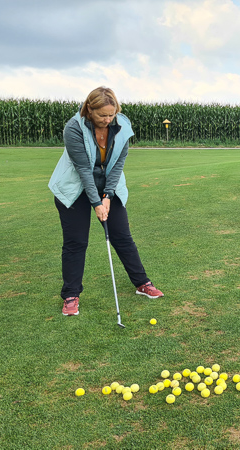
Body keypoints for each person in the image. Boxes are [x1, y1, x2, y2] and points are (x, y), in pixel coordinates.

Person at [49, 86, 163, 316]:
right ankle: (71, 295)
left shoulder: (122, 126)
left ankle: (142, 283)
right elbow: (83, 169)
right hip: (74, 189)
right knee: (76, 242)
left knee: (122, 237)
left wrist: (108, 196)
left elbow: (118, 165)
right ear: (89, 109)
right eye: (102, 115)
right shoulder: (74, 128)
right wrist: (96, 203)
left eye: (111, 114)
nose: (107, 119)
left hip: (108, 186)